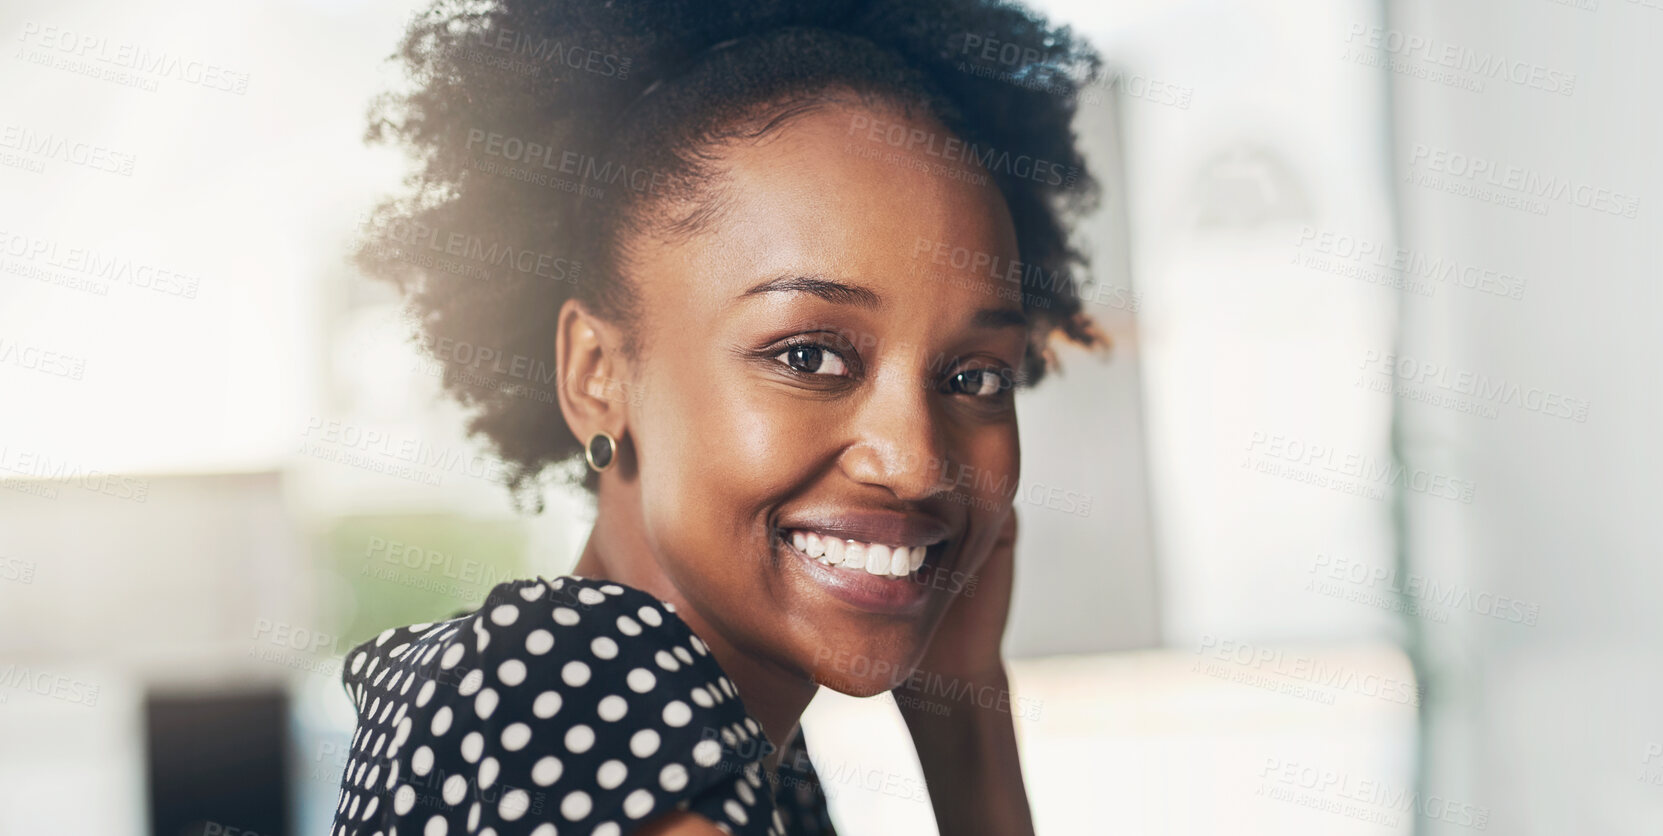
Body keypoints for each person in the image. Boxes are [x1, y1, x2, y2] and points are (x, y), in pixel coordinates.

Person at [333, 0, 1108, 832]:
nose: (917, 463)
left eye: (975, 377)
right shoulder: (572, 687)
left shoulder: (744, 750)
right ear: (599, 377)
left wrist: (964, 706)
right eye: (807, 356)